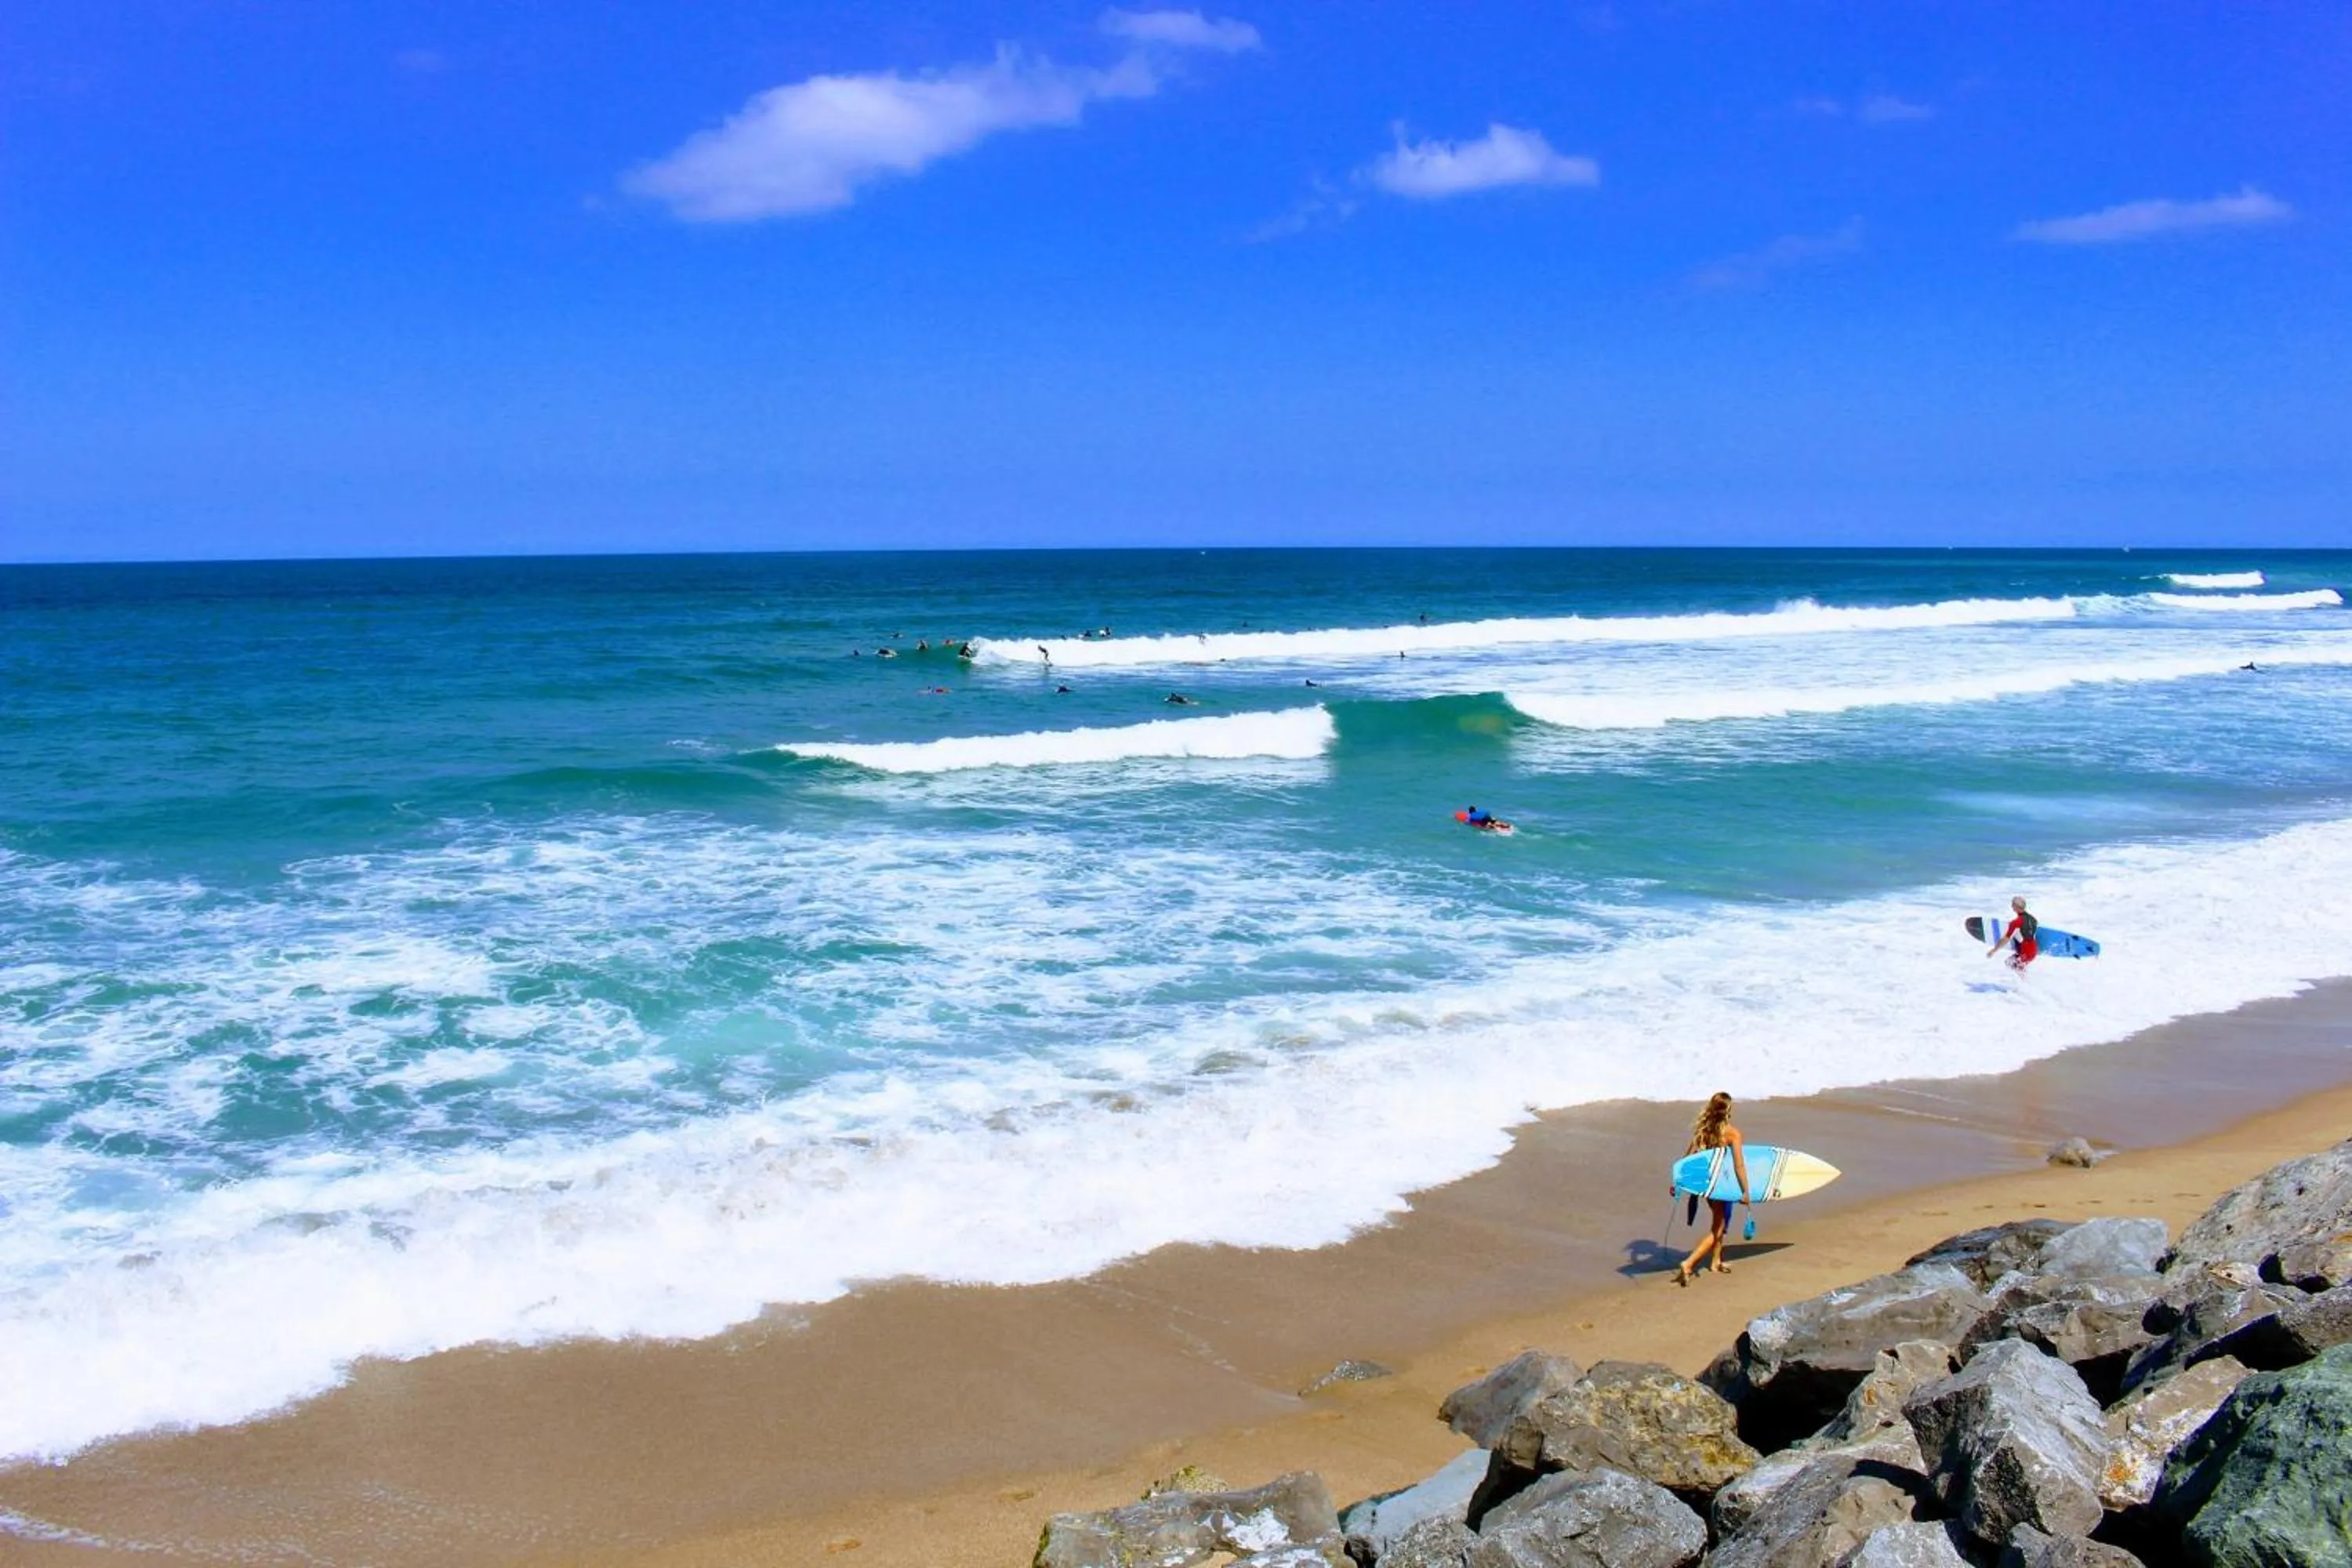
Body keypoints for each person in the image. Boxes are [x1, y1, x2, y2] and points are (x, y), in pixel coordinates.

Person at [1673, 1092, 1751, 1286]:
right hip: (1721, 1184)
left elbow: (1687, 1159)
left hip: (1705, 1184)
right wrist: (1745, 1190)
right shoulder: (1733, 1133)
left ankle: (1716, 1262)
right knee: (1719, 1227)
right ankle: (1689, 1263)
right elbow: (1739, 1165)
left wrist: (1677, 1182)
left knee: (1720, 1220)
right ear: (1728, 1110)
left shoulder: (1704, 1129)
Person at [1987, 895, 2039, 972]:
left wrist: (1994, 950)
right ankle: (2024, 980)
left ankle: (2024, 983)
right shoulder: (2033, 920)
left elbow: (2005, 940)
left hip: (2025, 952)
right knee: (2011, 963)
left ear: (2016, 906)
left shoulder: (2015, 923)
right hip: (2034, 950)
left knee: (2011, 964)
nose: (2011, 906)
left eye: (2013, 904)